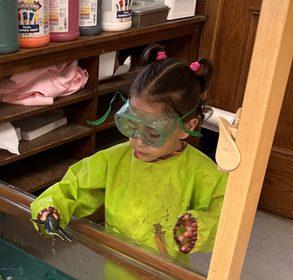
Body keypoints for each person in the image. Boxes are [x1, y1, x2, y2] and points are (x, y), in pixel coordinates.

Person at [30, 44, 227, 260]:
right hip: (117, 267)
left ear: (187, 127)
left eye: (152, 133)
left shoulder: (203, 173)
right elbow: (73, 187)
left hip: (165, 279)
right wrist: (50, 206)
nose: (137, 140)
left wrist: (199, 227)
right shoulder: (113, 160)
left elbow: (224, 216)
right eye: (131, 125)